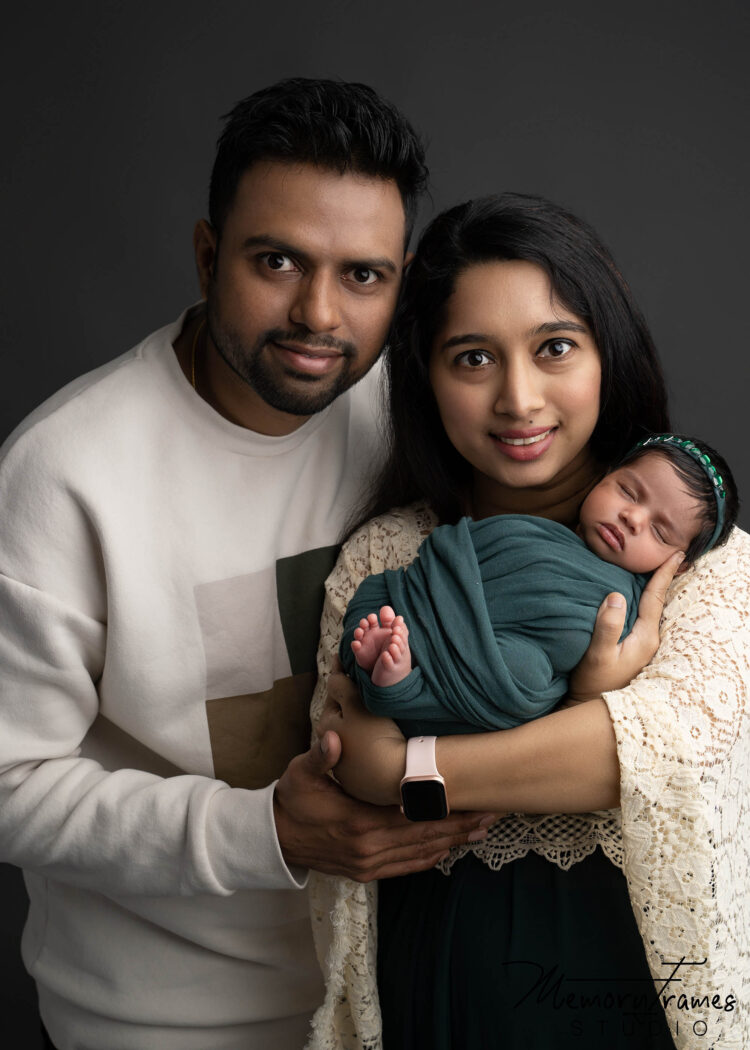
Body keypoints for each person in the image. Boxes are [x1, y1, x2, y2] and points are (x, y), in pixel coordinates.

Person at [0, 79, 494, 1050]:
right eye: (278, 261)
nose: (319, 314)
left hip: (402, 988)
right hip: (159, 1021)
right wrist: (269, 833)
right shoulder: (63, 473)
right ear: (207, 254)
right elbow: (9, 782)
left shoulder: (420, 412)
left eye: (364, 276)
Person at [307, 194, 749, 1049]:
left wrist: (410, 770)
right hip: (434, 980)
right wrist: (585, 712)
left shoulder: (711, 568)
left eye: (554, 348)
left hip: (623, 988)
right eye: (472, 358)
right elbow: (340, 755)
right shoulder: (384, 552)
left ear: (606, 353)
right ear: (424, 376)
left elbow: (643, 755)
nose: (518, 398)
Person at [344, 435, 738, 736]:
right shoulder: (537, 527)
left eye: (659, 530)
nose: (633, 517)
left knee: (528, 674)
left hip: (509, 663)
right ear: (605, 476)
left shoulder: (633, 602)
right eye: (628, 491)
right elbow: (465, 551)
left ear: (679, 564)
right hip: (435, 603)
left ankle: (402, 683)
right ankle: (398, 659)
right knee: (378, 596)